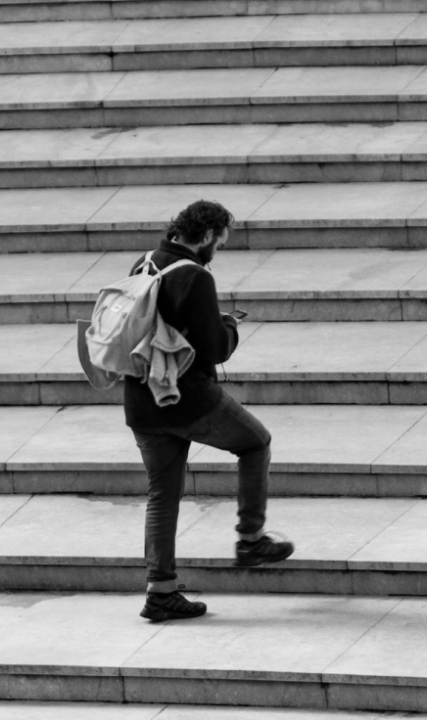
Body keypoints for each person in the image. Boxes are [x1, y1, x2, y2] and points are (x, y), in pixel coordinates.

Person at [127, 200, 294, 623]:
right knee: (256, 443)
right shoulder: (196, 276)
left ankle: (161, 592)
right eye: (218, 242)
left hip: (142, 401)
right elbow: (215, 349)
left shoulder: (144, 263)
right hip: (187, 400)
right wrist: (231, 326)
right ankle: (251, 538)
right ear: (205, 237)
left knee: (162, 496)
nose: (217, 250)